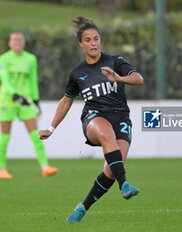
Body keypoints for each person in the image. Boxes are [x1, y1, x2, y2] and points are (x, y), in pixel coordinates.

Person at [39, 16, 143, 223]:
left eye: (96, 38)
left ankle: (82, 208)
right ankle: (125, 185)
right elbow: (66, 101)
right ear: (81, 44)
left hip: (121, 118)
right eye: (88, 40)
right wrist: (51, 128)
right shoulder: (77, 73)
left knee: (111, 171)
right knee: (106, 133)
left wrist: (119, 78)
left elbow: (138, 78)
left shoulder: (115, 61)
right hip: (93, 118)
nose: (93, 43)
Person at [0, 32, 57, 179]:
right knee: (5, 137)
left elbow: (32, 81)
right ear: (10, 43)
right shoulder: (4, 59)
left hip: (26, 102)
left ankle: (45, 167)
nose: (17, 42)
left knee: (35, 135)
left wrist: (36, 100)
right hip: (8, 101)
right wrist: (15, 95)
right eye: (14, 40)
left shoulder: (31, 59)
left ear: (23, 42)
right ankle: (2, 170)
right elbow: (5, 80)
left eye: (20, 39)